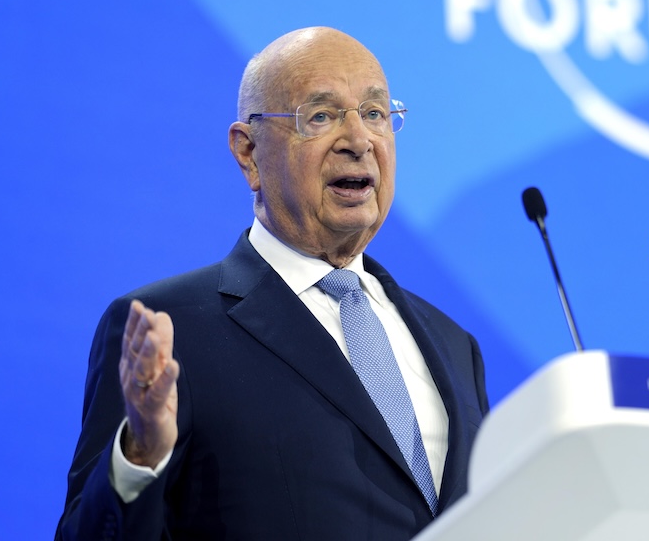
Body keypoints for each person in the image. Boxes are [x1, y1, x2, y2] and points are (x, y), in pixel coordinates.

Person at [56, 27, 489, 540]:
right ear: (248, 152)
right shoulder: (172, 333)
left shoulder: (454, 345)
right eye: (321, 116)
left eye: (375, 113)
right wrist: (140, 457)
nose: (359, 141)